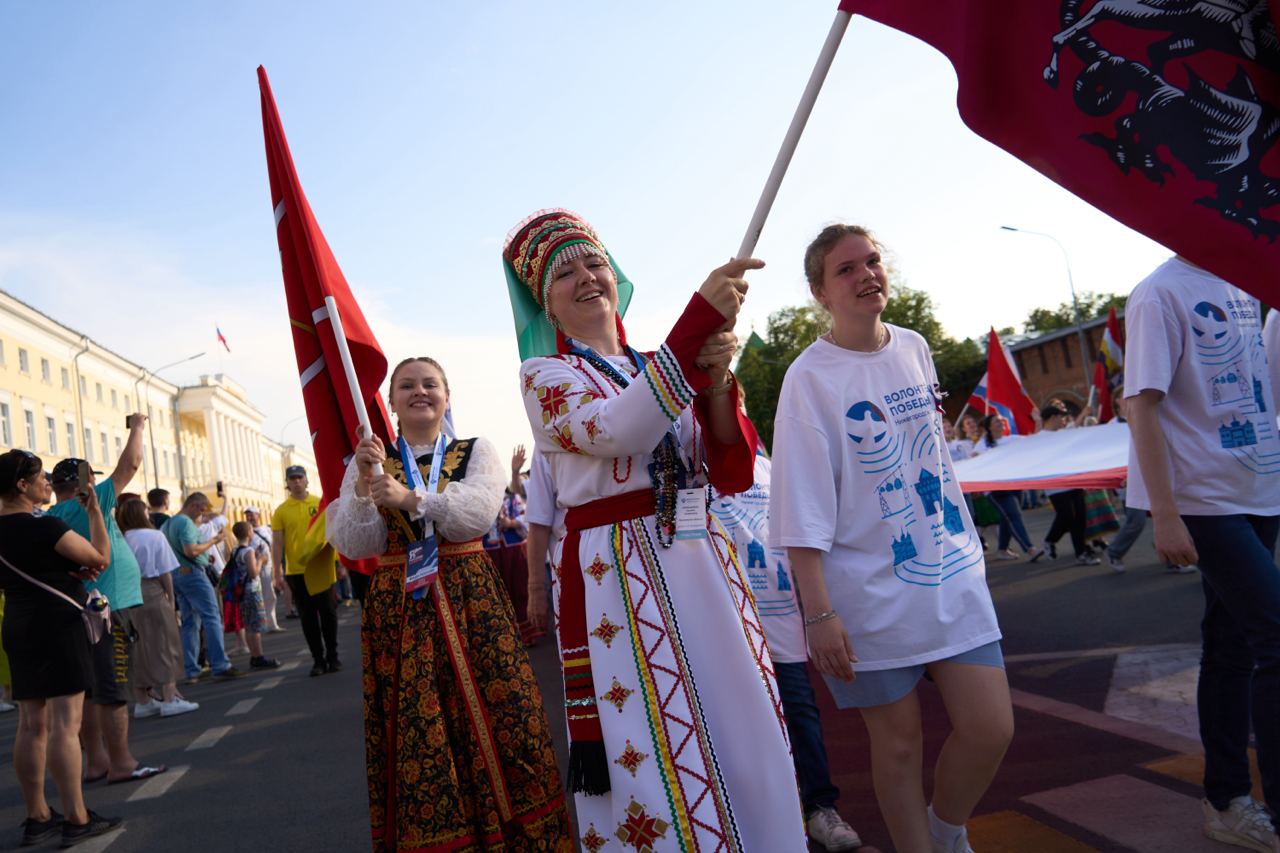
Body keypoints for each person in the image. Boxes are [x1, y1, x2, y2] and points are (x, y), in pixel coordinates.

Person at [506, 209, 806, 850]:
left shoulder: (665, 364)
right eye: (566, 273)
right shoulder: (545, 377)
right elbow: (621, 427)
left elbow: (726, 466)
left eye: (594, 263)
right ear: (547, 304)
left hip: (699, 554)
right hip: (616, 568)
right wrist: (697, 323)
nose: (587, 277)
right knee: (647, 733)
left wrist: (719, 380)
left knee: (740, 714)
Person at [772, 225, 1012, 853]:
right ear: (820, 292)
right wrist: (819, 612)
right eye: (846, 269)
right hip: (866, 595)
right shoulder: (809, 378)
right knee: (899, 745)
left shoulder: (914, 347)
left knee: (991, 728)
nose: (865, 275)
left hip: (952, 571)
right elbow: (800, 504)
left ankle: (944, 831)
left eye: (873, 261)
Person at [327, 356, 573, 851]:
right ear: (391, 402)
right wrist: (361, 484)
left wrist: (411, 498)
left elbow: (478, 515)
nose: (420, 392)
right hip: (401, 602)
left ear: (447, 396)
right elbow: (357, 543)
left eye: (430, 384)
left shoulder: (475, 449)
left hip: (468, 592)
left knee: (506, 713)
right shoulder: (370, 460)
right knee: (422, 727)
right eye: (407, 386)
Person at [1124, 256, 1280, 852]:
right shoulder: (1159, 293)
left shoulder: (1245, 280)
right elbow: (1141, 404)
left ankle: (1226, 800)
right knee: (1274, 636)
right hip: (1204, 499)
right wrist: (1165, 513)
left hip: (1259, 489)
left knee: (1231, 645)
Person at [0, 449, 124, 847]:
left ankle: (37, 816)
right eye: (40, 478)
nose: (47, 484)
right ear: (22, 485)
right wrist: (94, 515)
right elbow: (100, 558)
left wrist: (60, 570)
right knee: (65, 726)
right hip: (57, 625)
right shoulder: (46, 526)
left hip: (18, 625)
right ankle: (77, 817)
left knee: (30, 724)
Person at [47, 415, 167, 786]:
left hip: (84, 610)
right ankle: (122, 763)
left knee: (93, 689)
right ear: (85, 482)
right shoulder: (93, 501)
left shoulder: (51, 516)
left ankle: (97, 762)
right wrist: (137, 427)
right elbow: (130, 464)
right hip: (110, 608)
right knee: (113, 688)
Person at [117, 499, 198, 719]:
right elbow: (165, 571)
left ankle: (142, 700)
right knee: (165, 642)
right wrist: (171, 599)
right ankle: (170, 697)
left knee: (138, 647)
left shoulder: (119, 538)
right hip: (151, 591)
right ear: (142, 514)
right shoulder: (154, 536)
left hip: (126, 594)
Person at [1104, 391, 1196, 574]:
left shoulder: (1147, 416)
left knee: (1166, 518)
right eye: (1125, 394)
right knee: (1136, 522)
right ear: (1117, 400)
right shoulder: (1111, 426)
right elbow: (1109, 456)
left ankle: (1173, 558)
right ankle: (1114, 551)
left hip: (1153, 478)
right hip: (1129, 482)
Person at [161, 492, 242, 684]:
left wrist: (205, 556)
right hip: (192, 574)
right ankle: (220, 665)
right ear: (194, 505)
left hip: (177, 574)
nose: (202, 514)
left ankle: (192, 669)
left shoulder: (168, 524)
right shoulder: (185, 523)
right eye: (202, 510)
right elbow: (191, 550)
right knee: (212, 616)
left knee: (190, 622)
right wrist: (213, 541)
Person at [271, 467, 339, 676]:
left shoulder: (320, 503)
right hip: (297, 572)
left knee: (328, 614)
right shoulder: (281, 510)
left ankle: (333, 657)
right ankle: (318, 660)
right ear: (287, 483)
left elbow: (333, 534)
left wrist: (340, 563)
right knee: (308, 618)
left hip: (322, 567)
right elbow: (278, 543)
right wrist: (276, 571)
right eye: (292, 479)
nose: (297, 482)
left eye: (300, 477)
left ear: (307, 480)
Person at [1030, 404, 1099, 566]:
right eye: (1061, 417)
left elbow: (1075, 427)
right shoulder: (1038, 438)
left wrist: (1084, 412)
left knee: (1080, 518)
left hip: (1074, 481)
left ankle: (1081, 553)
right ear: (1053, 418)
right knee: (1067, 516)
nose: (1064, 420)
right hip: (1055, 485)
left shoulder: (1064, 433)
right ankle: (1050, 541)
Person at [971, 414, 1038, 561]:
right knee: (1014, 515)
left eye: (1002, 421)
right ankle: (1030, 548)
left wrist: (1038, 421)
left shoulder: (1012, 440)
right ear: (989, 426)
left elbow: (1035, 441)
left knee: (1006, 517)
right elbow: (973, 459)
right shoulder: (983, 444)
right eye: (996, 421)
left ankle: (1002, 549)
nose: (1001, 423)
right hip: (995, 489)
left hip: (1014, 484)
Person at [225, 522, 280, 670]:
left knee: (249, 625)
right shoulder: (248, 551)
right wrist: (261, 560)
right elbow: (253, 572)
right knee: (255, 626)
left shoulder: (236, 550)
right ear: (249, 532)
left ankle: (254, 657)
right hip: (252, 592)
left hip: (242, 593)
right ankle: (258, 657)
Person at [242, 507, 283, 632]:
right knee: (256, 596)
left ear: (258, 515)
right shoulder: (246, 532)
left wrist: (278, 566)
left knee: (269, 594)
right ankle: (260, 624)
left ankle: (271, 624)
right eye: (247, 515)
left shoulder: (267, 529)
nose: (249, 517)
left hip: (268, 566)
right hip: (253, 566)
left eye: (252, 514)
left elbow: (275, 546)